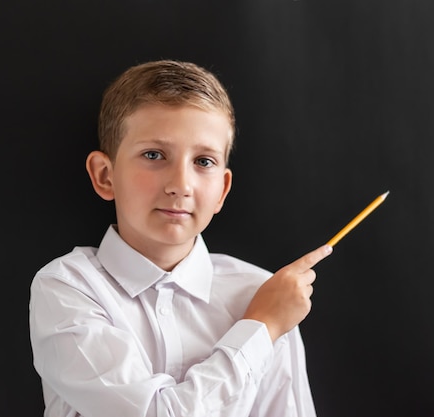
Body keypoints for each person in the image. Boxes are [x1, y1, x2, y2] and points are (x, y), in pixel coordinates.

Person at [29, 59, 332, 417]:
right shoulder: (67, 289)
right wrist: (261, 329)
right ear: (105, 176)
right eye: (154, 155)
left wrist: (267, 320)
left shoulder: (262, 292)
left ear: (222, 189)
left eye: (203, 162)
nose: (180, 185)